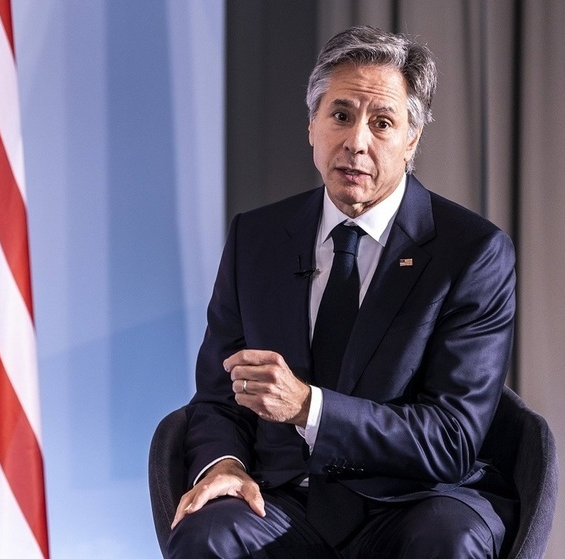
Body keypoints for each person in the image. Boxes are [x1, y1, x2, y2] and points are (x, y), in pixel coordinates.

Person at [167, 25, 518, 558]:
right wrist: (226, 465)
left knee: (447, 541)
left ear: (411, 140)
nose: (356, 141)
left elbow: (451, 438)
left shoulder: (472, 252)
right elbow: (219, 396)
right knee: (206, 535)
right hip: (283, 499)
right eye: (340, 115)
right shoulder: (256, 238)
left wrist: (308, 407)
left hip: (416, 500)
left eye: (382, 123)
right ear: (312, 125)